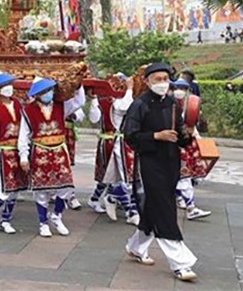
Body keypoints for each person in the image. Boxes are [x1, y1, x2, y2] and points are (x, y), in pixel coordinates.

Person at [123, 62, 199, 281]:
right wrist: (156, 136)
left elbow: (182, 137)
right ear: (147, 81)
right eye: (157, 79)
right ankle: (181, 263)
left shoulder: (174, 104)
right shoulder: (140, 104)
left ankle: (136, 247)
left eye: (165, 79)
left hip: (170, 162)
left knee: (154, 207)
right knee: (165, 209)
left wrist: (188, 133)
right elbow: (130, 134)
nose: (162, 83)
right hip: (149, 162)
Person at [18, 77, 85, 237]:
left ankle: (57, 216)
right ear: (38, 94)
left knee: (65, 186)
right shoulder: (28, 110)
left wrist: (78, 85)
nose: (49, 94)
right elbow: (23, 134)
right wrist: (23, 156)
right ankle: (43, 223)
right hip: (40, 152)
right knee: (41, 190)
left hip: (59, 152)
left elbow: (80, 101)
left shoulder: (62, 106)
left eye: (50, 90)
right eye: (45, 91)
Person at [87, 77, 140, 225]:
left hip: (128, 142)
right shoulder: (115, 101)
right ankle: (130, 210)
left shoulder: (127, 99)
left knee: (128, 178)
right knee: (120, 177)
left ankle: (114, 199)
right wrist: (93, 100)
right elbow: (122, 108)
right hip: (115, 142)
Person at [0, 73, 28, 233]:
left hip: (18, 150)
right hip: (3, 152)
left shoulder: (17, 104)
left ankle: (6, 219)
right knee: (4, 189)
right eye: (5, 85)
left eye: (10, 84)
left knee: (16, 188)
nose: (9, 88)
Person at [171, 79, 211, 220]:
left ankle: (189, 206)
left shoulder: (189, 106)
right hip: (169, 145)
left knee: (184, 177)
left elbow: (191, 127)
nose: (180, 90)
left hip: (181, 146)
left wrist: (196, 137)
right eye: (178, 87)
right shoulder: (168, 104)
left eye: (183, 88)